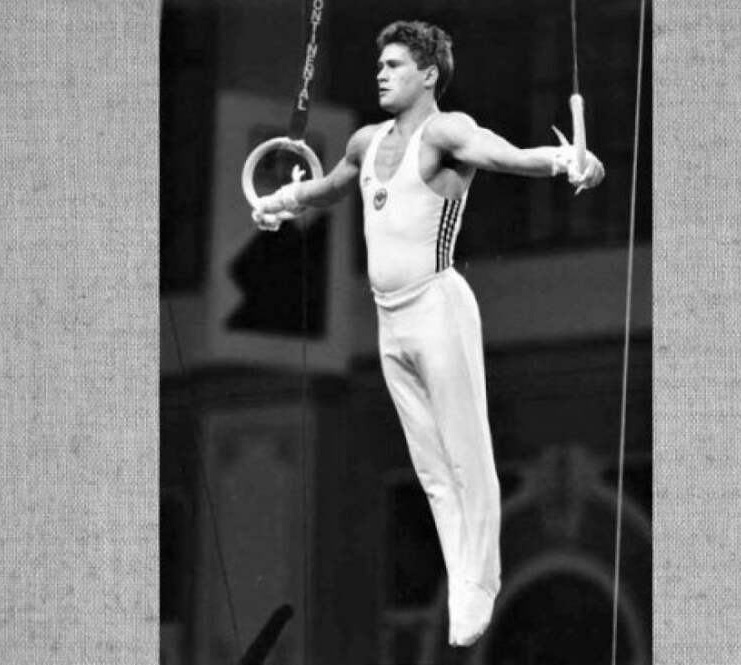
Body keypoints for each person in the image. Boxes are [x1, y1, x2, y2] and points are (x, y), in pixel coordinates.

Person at [252, 20, 605, 647]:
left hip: (439, 309)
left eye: (394, 65)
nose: (381, 73)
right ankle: (460, 576)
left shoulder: (446, 132)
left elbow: (502, 154)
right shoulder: (365, 141)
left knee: (467, 453)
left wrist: (564, 160)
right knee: (431, 467)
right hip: (389, 320)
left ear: (429, 74)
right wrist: (281, 202)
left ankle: (479, 584)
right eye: (379, 64)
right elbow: (329, 189)